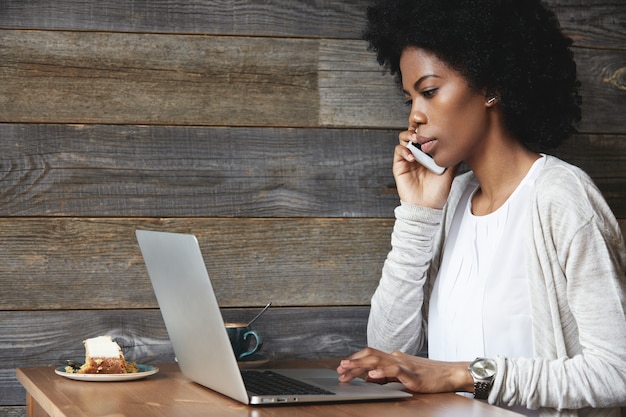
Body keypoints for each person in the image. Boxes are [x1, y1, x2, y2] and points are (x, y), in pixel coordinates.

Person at [336, 1, 626, 416]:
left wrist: (463, 375)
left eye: (430, 91)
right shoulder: (452, 199)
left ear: (491, 86)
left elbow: (616, 372)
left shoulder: (560, 196)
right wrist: (418, 216)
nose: (415, 116)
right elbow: (386, 351)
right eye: (409, 99)